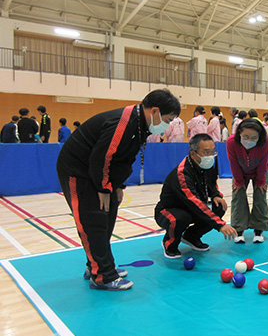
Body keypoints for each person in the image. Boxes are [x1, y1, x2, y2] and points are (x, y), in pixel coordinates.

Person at [57, 89, 181, 291]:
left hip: (98, 173)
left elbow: (123, 158)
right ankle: (102, 276)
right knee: (93, 220)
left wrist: (118, 185)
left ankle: (96, 265)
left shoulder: (141, 125)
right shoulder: (123, 122)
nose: (166, 125)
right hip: (78, 170)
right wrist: (104, 187)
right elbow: (103, 157)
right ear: (155, 111)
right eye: (167, 119)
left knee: (107, 216)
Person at [155, 134, 237, 258]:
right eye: (206, 152)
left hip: (191, 208)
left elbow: (212, 183)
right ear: (193, 154)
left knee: (218, 207)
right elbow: (193, 201)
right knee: (181, 218)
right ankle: (169, 243)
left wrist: (215, 195)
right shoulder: (182, 173)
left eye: (212, 152)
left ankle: (191, 237)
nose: (210, 156)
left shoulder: (208, 165)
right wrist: (220, 225)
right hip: (168, 210)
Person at [226, 119, 268, 244]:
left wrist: (261, 181)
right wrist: (239, 181)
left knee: (260, 197)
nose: (249, 141)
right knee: (238, 196)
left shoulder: (264, 142)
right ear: (239, 133)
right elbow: (233, 163)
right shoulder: (231, 142)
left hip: (259, 172)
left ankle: (258, 230)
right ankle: (239, 230)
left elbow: (263, 162)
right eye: (245, 137)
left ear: (259, 137)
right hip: (240, 171)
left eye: (253, 138)